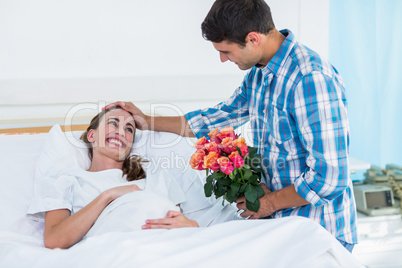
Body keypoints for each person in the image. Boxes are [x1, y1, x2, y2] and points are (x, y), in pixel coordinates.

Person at [105, 0, 357, 252]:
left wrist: (267, 204)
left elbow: (330, 178)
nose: (223, 60)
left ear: (252, 39)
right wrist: (145, 121)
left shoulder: (310, 78)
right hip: (282, 230)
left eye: (226, 51)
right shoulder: (260, 74)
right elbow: (214, 119)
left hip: (319, 235)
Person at [27, 106, 199, 249]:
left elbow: (179, 221)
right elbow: (54, 240)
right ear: (91, 135)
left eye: (129, 129)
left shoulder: (154, 173)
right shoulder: (66, 179)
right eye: (113, 124)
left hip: (166, 248)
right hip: (115, 250)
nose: (121, 132)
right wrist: (107, 196)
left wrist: (193, 227)